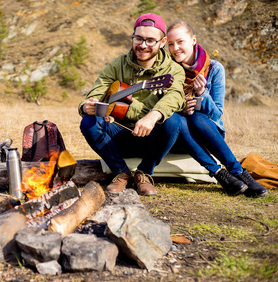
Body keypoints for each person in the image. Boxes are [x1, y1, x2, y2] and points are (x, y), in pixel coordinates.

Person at [79, 13, 186, 196]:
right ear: (133, 37)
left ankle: (144, 173)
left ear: (162, 42)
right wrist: (87, 106)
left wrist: (153, 116)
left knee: (173, 120)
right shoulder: (116, 65)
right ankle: (121, 172)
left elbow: (175, 96)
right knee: (88, 121)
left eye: (150, 40)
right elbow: (95, 93)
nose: (143, 45)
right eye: (139, 38)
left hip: (154, 138)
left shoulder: (173, 69)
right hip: (119, 135)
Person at [167, 21, 267, 197]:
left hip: (208, 133)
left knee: (197, 118)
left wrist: (202, 93)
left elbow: (217, 113)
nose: (175, 48)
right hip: (179, 137)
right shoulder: (168, 71)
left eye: (180, 42)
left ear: (193, 40)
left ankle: (238, 172)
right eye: (170, 44)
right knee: (182, 120)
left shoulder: (214, 68)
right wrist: (183, 111)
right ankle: (221, 175)